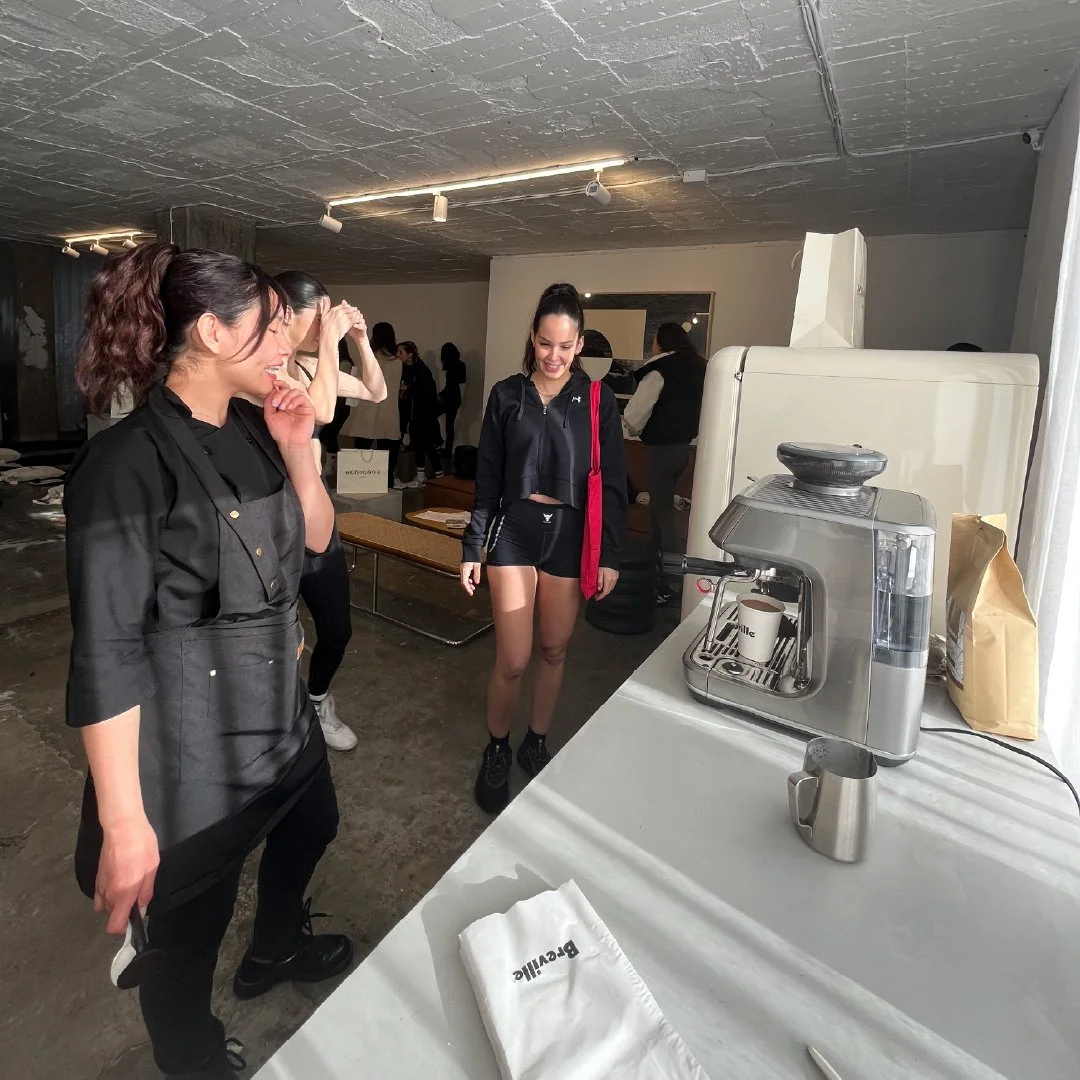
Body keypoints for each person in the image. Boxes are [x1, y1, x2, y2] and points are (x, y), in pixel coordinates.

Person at [65, 243, 353, 1080]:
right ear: (211, 333)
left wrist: (300, 446)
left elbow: (319, 540)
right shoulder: (126, 468)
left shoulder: (262, 432)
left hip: (279, 716)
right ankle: (192, 1060)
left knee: (316, 823)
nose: (285, 348)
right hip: (192, 753)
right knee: (186, 939)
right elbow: (108, 655)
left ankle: (272, 949)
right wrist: (125, 823)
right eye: (270, 330)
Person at [460, 283, 627, 814]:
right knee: (513, 657)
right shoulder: (507, 395)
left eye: (565, 346)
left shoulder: (597, 402)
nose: (554, 356)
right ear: (533, 339)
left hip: (570, 537)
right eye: (545, 344)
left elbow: (615, 483)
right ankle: (497, 746)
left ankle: (536, 740)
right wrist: (472, 545)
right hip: (514, 530)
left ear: (580, 346)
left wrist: (610, 555)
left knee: (555, 649)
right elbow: (486, 477)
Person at [273, 271, 387, 751]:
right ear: (285, 314)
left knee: (336, 629)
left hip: (316, 518)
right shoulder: (270, 369)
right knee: (273, 637)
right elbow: (318, 412)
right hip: (272, 521)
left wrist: (359, 341)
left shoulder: (311, 368)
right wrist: (329, 344)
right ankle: (275, 720)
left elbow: (376, 391)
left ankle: (316, 699)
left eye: (328, 316)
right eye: (317, 316)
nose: (325, 325)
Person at [621, 321, 705, 603]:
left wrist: (627, 427)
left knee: (663, 513)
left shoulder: (660, 370)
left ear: (661, 342)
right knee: (660, 511)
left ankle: (674, 582)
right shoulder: (701, 368)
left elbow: (634, 416)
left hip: (661, 450)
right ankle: (654, 570)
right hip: (684, 448)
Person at [342, 320, 402, 488]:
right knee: (387, 462)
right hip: (388, 414)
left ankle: (358, 491)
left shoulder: (367, 360)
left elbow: (357, 385)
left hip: (366, 411)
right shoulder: (397, 363)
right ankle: (386, 493)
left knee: (360, 457)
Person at [398, 340, 443, 483]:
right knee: (419, 445)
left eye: (400, 352)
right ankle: (422, 476)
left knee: (427, 445)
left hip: (423, 415)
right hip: (414, 416)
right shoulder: (407, 369)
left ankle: (438, 476)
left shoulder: (421, 370)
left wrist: (408, 390)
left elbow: (426, 392)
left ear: (410, 354)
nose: (397, 355)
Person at [437, 341, 466, 461]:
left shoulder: (451, 366)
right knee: (450, 425)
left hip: (450, 398)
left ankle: (439, 442)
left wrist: (441, 394)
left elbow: (450, 385)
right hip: (455, 397)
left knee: (432, 416)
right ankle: (447, 449)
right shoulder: (460, 365)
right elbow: (459, 382)